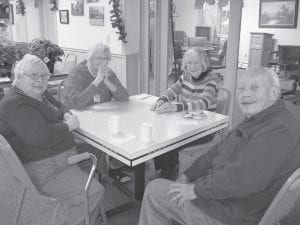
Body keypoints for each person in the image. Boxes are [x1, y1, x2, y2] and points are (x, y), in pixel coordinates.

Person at [138, 67, 300, 225]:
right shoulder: (261, 118)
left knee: (155, 190)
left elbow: (240, 181)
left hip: (229, 212)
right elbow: (220, 148)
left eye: (254, 88)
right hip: (229, 198)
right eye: (241, 89)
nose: (245, 94)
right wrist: (188, 175)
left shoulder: (279, 130)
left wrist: (194, 190)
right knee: (181, 177)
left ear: (273, 93)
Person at [0, 54, 104, 225]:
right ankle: (79, 212)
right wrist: (68, 126)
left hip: (56, 157)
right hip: (47, 169)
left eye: (44, 76)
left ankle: (85, 208)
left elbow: (59, 104)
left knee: (97, 151)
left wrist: (66, 113)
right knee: (95, 192)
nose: (40, 81)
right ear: (18, 77)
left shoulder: (38, 93)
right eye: (33, 75)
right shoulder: (14, 104)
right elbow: (41, 136)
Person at [62, 43, 130, 183]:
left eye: (105, 59)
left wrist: (107, 81)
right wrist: (97, 81)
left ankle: (115, 161)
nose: (102, 62)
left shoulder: (108, 73)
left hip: (101, 117)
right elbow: (77, 103)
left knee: (123, 128)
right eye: (98, 58)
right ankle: (110, 166)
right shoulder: (77, 73)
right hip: (77, 121)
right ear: (90, 59)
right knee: (110, 135)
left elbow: (124, 97)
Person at [151, 48, 219, 178]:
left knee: (167, 142)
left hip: (204, 128)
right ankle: (166, 167)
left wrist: (176, 107)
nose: (192, 67)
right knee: (159, 134)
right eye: (189, 63)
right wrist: (163, 99)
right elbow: (173, 90)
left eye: (196, 63)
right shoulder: (186, 75)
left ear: (203, 63)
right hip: (185, 122)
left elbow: (203, 103)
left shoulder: (212, 79)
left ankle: (166, 175)